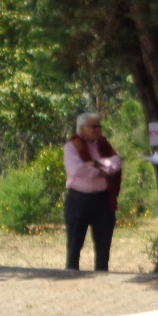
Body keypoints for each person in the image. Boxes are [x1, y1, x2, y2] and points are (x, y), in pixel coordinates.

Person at [63, 112, 121, 272]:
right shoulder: (72, 147)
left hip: (102, 200)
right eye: (93, 126)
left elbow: (116, 164)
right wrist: (103, 168)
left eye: (99, 126)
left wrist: (93, 164)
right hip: (78, 200)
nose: (98, 129)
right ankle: (71, 277)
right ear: (82, 128)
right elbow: (76, 170)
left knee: (103, 246)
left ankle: (102, 277)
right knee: (74, 244)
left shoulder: (104, 145)